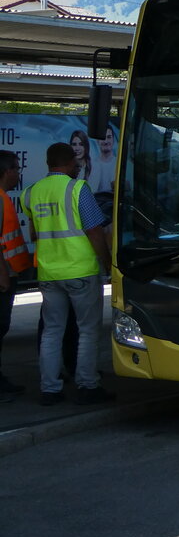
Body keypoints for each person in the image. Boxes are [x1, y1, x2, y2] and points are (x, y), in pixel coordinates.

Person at [23, 142, 113, 406]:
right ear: (71, 162)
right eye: (76, 163)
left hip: (49, 273)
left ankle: (50, 389)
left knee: (52, 331)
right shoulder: (77, 189)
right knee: (87, 330)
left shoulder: (31, 193)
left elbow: (34, 233)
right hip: (80, 271)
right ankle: (87, 385)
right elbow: (94, 231)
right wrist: (106, 262)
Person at [0, 150, 32, 399]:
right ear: (6, 171)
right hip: (3, 276)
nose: (19, 173)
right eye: (16, 168)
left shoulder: (4, 198)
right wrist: (3, 276)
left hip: (10, 273)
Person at [88, 125, 117, 197]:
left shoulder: (120, 164)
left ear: (113, 139)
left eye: (109, 137)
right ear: (97, 141)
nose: (106, 141)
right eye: (102, 138)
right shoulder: (90, 165)